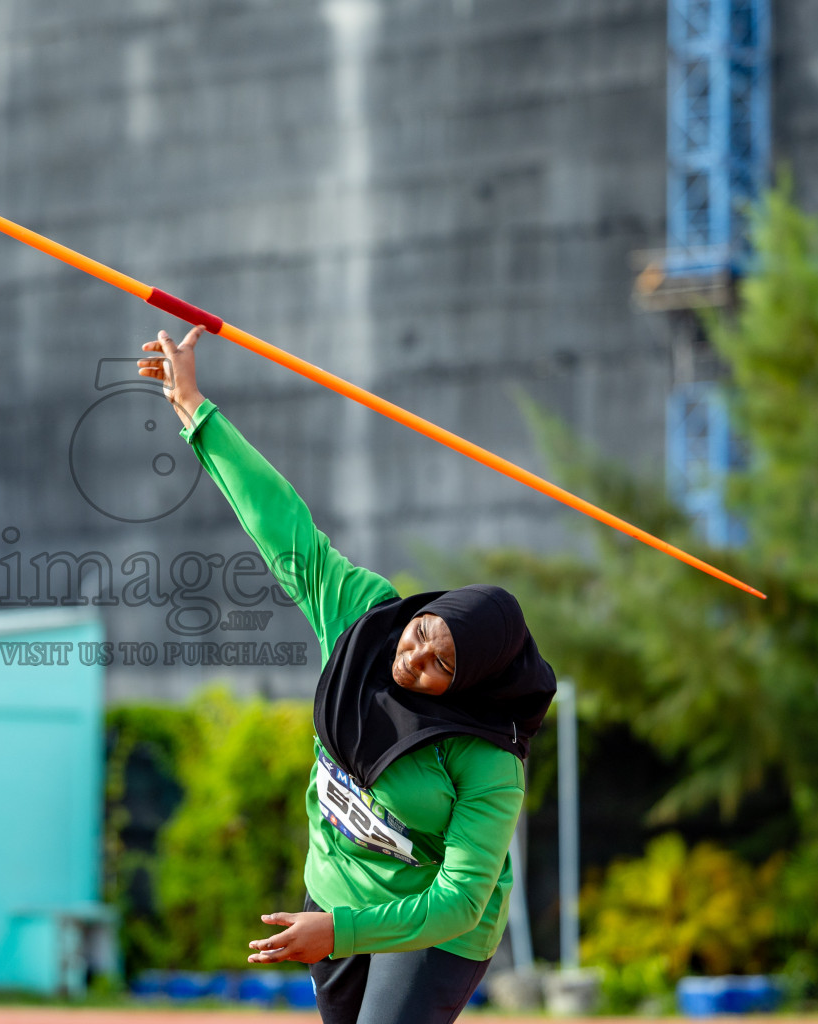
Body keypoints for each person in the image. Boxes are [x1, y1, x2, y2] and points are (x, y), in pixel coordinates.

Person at [138, 326, 556, 1024]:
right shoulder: (368, 624)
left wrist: (340, 933)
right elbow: (285, 531)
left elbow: (458, 900)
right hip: (333, 891)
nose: (414, 658)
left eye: (441, 665)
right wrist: (194, 408)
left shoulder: (488, 761)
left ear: (469, 681)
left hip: (434, 928)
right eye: (425, 634)